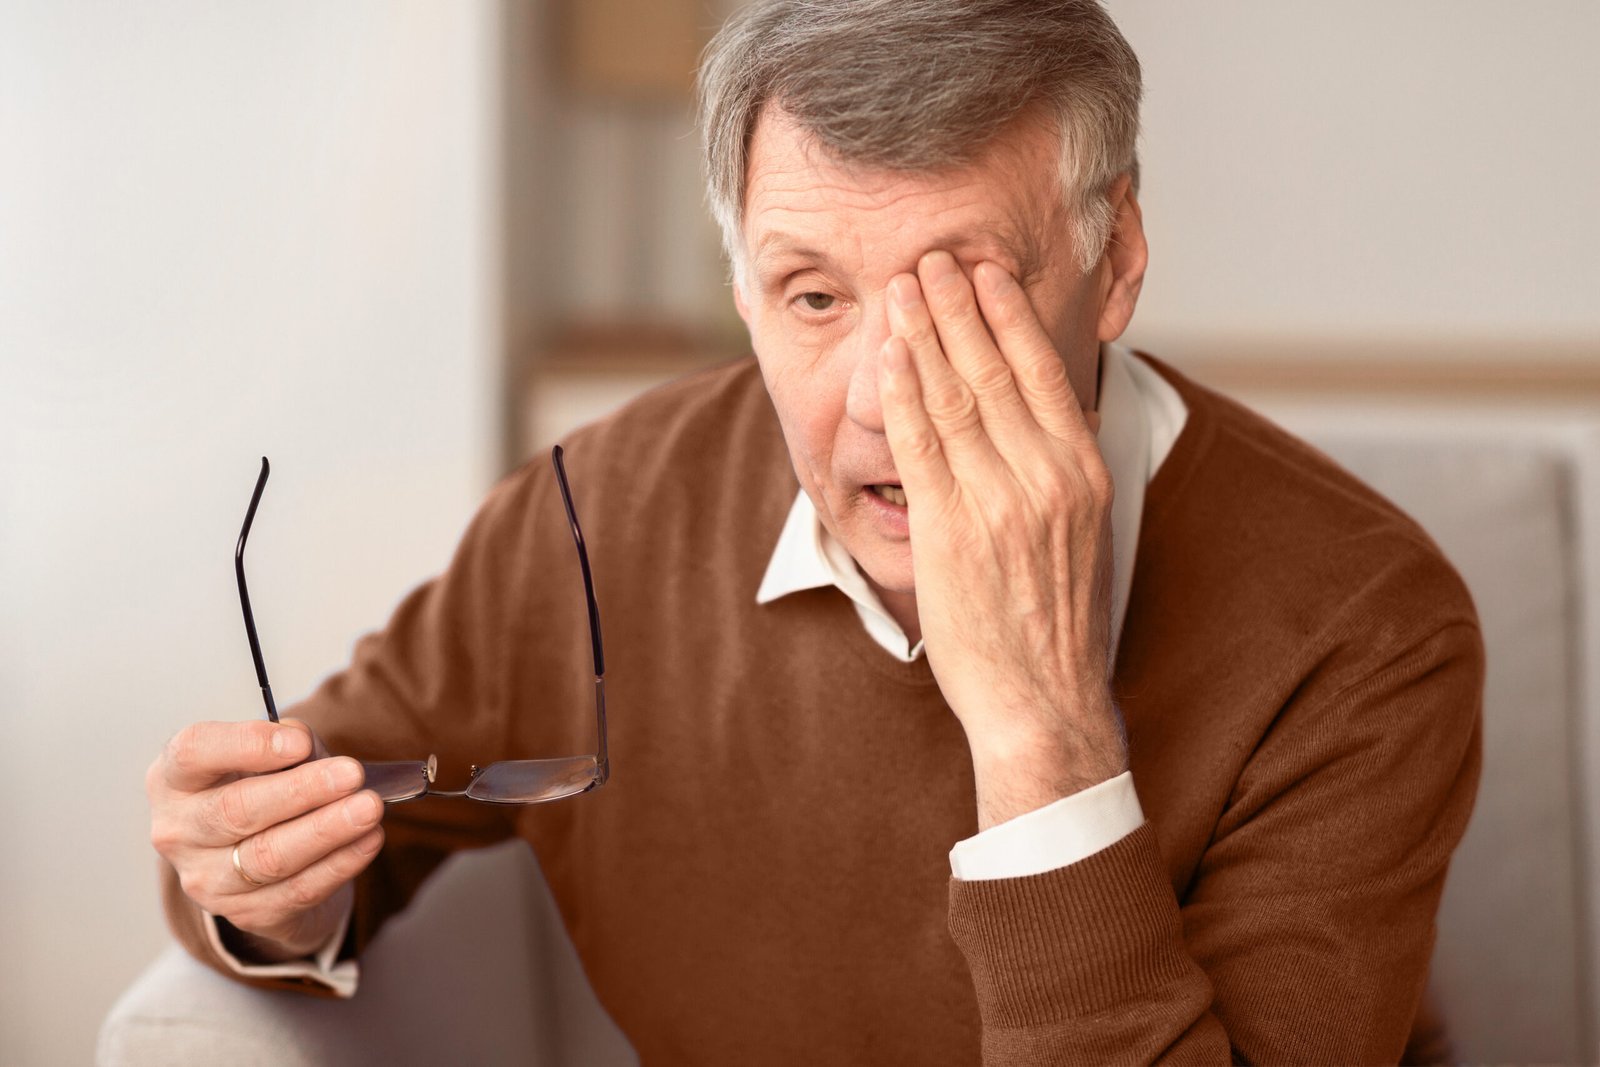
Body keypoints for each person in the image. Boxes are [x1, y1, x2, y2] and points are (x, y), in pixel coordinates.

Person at [146, 1, 1483, 1062]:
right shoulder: (593, 518)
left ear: (1116, 261)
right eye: (814, 297)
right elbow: (302, 857)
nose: (890, 402)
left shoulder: (1365, 625)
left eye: (966, 292)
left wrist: (1042, 736)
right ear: (739, 286)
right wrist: (267, 889)